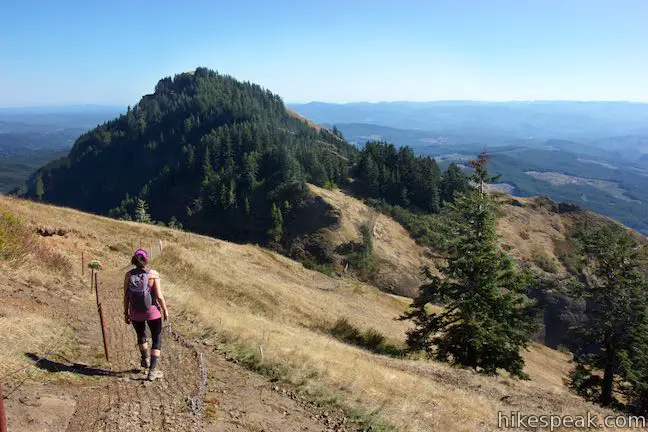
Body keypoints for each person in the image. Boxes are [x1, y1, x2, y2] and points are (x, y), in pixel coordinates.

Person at [123, 249, 169, 381]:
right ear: (146, 259)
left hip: (135, 313)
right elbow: (159, 296)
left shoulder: (128, 275)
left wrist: (126, 313)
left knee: (141, 335)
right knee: (157, 338)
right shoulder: (153, 274)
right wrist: (165, 310)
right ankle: (152, 372)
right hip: (153, 312)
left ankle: (145, 359)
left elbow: (126, 297)